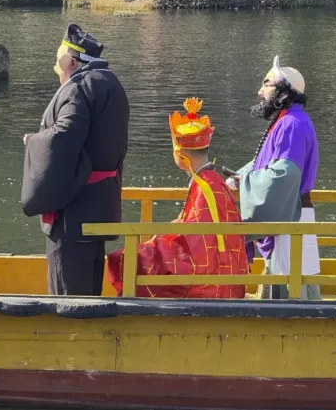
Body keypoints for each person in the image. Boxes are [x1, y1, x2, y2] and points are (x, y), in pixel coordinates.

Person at [21, 24, 129, 297]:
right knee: (90, 289)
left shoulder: (79, 88)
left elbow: (65, 137)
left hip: (74, 211)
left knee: (67, 296)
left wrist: (32, 141)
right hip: (101, 203)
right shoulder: (111, 83)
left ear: (69, 61)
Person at [107, 98, 249, 299]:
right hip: (224, 267)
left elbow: (196, 241)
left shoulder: (205, 186)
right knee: (141, 254)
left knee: (133, 259)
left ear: (180, 155)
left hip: (209, 276)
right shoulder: (212, 181)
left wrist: (159, 241)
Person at [228, 56, 320, 300]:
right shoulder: (286, 121)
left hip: (292, 218)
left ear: (283, 90)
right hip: (288, 216)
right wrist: (240, 176)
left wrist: (246, 182)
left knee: (292, 291)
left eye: (266, 84)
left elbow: (283, 176)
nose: (260, 92)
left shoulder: (292, 124)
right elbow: (264, 164)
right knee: (286, 283)